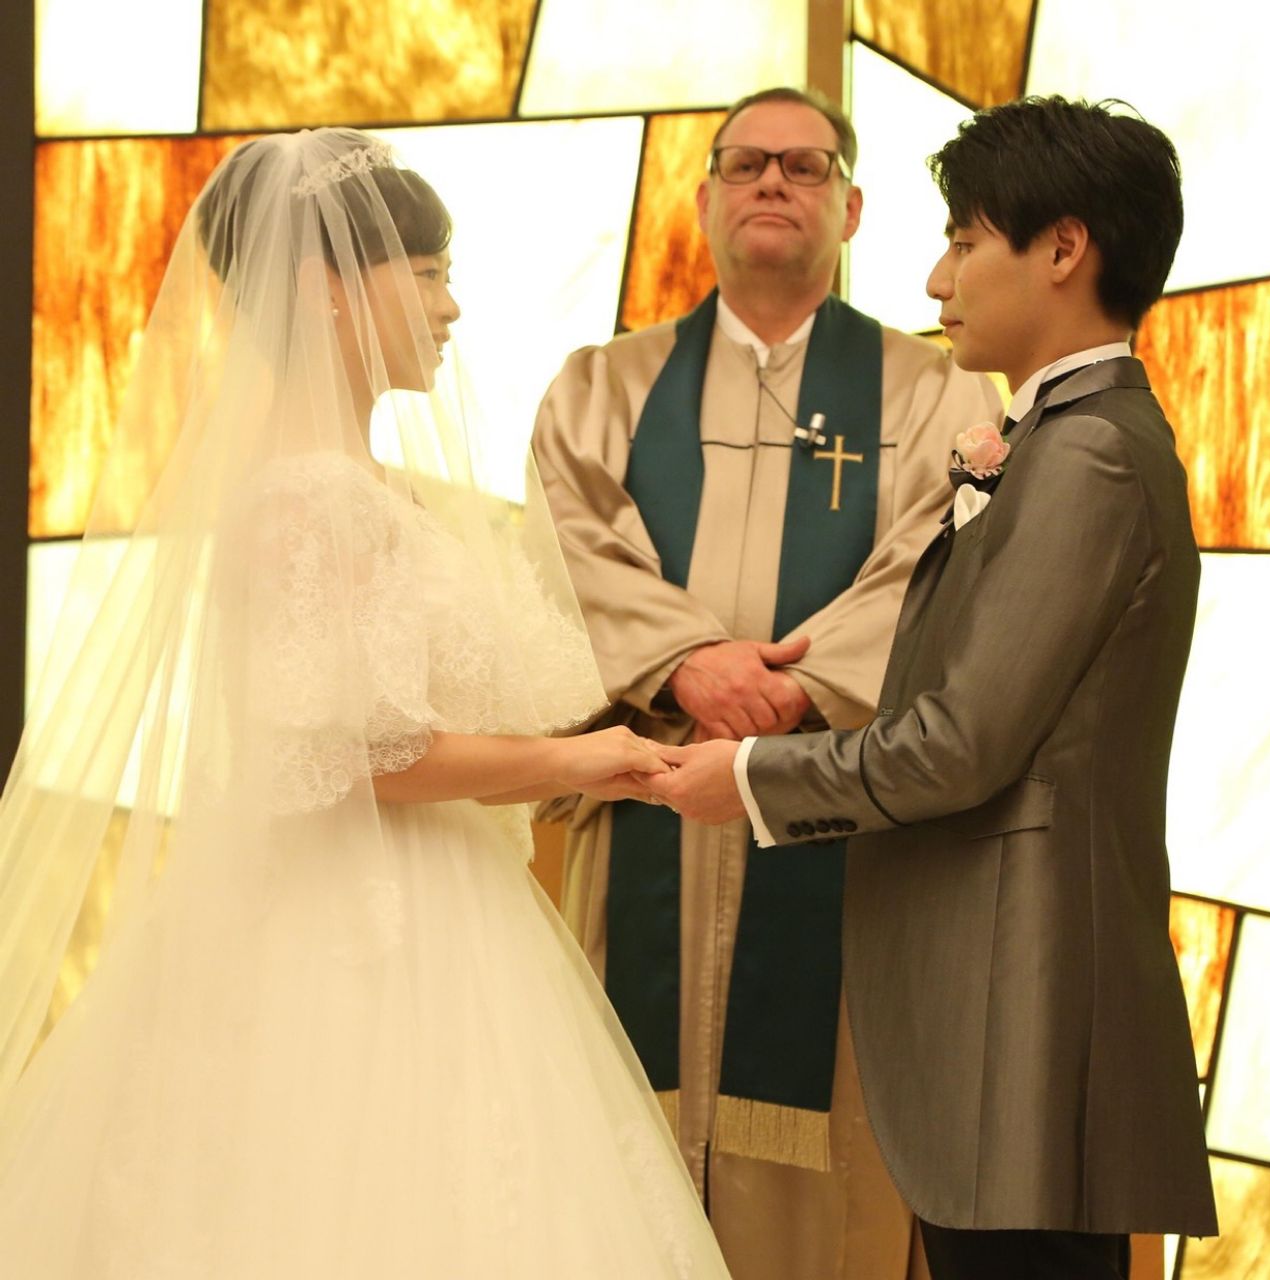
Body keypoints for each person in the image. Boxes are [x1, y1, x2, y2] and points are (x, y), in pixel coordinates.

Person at [0, 128, 736, 1277]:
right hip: (356, 923)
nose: (450, 307)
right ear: (327, 287)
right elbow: (358, 756)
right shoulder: (310, 501)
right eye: (429, 274)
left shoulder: (359, 486)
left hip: (431, 899)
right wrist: (579, 762)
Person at [646, 96, 1219, 1279]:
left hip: (1026, 1009)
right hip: (995, 1007)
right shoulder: (1054, 436)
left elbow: (957, 743)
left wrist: (747, 776)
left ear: (1062, 249)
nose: (933, 279)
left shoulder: (1087, 452)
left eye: (962, 242)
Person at [533, 85, 1001, 1280]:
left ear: (852, 205)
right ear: (703, 201)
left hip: (836, 814)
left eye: (804, 165)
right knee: (612, 1147)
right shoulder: (600, 387)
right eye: (744, 164)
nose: (772, 184)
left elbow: (935, 565)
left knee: (823, 1160)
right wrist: (686, 660)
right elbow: (564, 549)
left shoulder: (935, 393)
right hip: (649, 795)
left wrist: (801, 688)